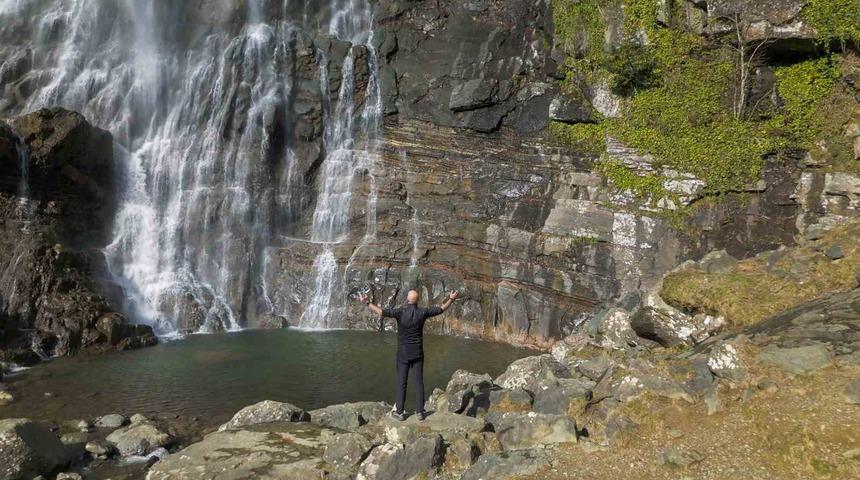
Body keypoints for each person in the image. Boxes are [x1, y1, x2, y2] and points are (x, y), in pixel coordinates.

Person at [358, 288, 459, 421]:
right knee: (418, 382)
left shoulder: (400, 312)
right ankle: (420, 412)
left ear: (407, 299)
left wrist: (367, 303)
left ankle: (399, 412)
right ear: (418, 300)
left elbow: (382, 312)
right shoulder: (422, 312)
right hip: (417, 353)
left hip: (403, 354)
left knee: (401, 382)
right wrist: (451, 299)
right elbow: (440, 309)